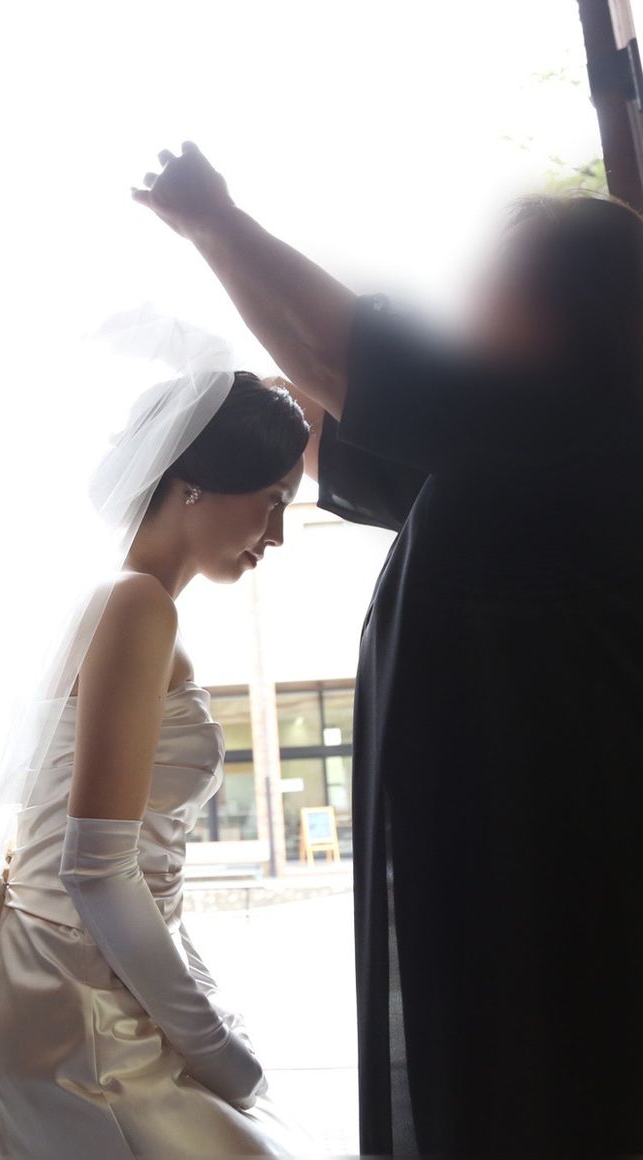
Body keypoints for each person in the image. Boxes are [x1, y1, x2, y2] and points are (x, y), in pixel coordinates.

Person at [134, 142, 643, 1155]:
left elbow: (347, 362)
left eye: (498, 288)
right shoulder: (508, 455)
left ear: (574, 313)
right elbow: (332, 414)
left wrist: (214, 221)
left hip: (559, 878)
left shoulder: (580, 426)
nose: (471, 310)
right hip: (514, 870)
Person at [0, 372, 309, 1157]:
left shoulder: (127, 602)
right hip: (82, 1015)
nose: (278, 534)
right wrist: (214, 1049)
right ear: (194, 483)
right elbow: (95, 869)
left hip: (86, 986)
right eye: (272, 500)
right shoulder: (137, 605)